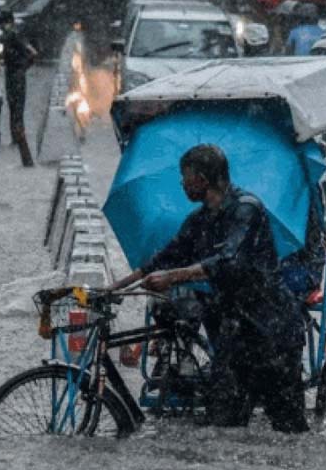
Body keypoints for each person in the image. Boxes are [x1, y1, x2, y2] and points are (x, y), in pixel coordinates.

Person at [108, 144, 309, 433]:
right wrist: (115, 289)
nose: (182, 184)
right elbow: (165, 257)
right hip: (235, 335)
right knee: (224, 425)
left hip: (271, 330)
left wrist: (172, 277)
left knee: (289, 430)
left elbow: (229, 261)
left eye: (185, 178)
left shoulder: (246, 210)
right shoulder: (199, 220)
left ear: (202, 180)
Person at [0, 10, 37, 167]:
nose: (1, 28)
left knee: (16, 110)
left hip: (16, 77)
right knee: (14, 109)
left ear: (7, 22)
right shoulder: (10, 36)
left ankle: (19, 140)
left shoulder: (14, 35)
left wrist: (21, 68)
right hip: (12, 76)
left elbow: (33, 53)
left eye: (2, 24)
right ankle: (16, 140)